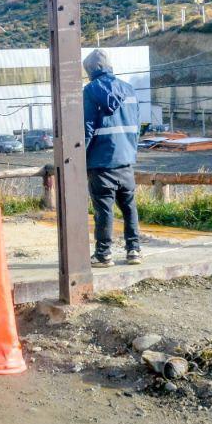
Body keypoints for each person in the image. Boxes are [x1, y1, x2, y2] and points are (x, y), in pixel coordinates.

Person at [83, 48, 142, 266]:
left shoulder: (89, 92)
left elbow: (86, 129)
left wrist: (80, 158)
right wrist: (131, 151)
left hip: (100, 162)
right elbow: (136, 127)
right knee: (129, 207)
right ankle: (134, 250)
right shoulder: (129, 90)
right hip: (125, 160)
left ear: (89, 70)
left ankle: (103, 254)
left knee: (104, 209)